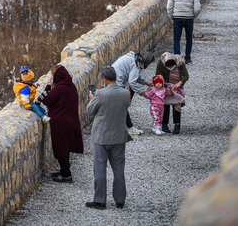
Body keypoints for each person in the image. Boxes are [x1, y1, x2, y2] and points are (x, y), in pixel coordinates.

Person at [85, 66, 131, 210]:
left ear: (104, 79)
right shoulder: (125, 93)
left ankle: (100, 200)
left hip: (102, 137)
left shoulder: (100, 94)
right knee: (118, 169)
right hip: (119, 136)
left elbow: (89, 110)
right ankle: (120, 200)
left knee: (100, 168)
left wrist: (92, 98)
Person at [35, 65, 84, 183]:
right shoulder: (70, 86)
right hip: (70, 120)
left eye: (53, 75)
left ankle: (66, 175)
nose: (52, 77)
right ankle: (64, 171)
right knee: (65, 146)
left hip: (60, 122)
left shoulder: (59, 88)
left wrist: (47, 86)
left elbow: (43, 100)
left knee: (61, 147)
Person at [112, 51, 154, 135]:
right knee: (123, 106)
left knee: (115, 105)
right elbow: (132, 82)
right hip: (116, 83)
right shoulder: (137, 64)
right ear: (145, 59)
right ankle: (130, 127)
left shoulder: (134, 58)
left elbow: (134, 76)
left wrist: (145, 82)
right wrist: (140, 91)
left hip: (110, 78)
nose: (149, 65)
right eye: (149, 63)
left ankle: (114, 125)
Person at [167, 0, 201, 64]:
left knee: (176, 39)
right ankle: (187, 58)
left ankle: (178, 58)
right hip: (189, 19)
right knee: (189, 38)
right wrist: (193, 16)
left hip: (177, 18)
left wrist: (172, 16)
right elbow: (197, 8)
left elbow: (169, 7)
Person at [156, 52, 189, 134]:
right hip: (165, 84)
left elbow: (185, 75)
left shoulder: (179, 62)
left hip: (177, 84)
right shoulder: (161, 63)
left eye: (172, 66)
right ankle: (164, 124)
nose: (171, 68)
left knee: (177, 104)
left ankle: (177, 125)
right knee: (165, 104)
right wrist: (166, 87)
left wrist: (178, 84)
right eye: (169, 67)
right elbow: (158, 76)